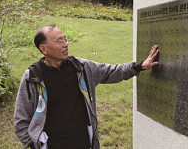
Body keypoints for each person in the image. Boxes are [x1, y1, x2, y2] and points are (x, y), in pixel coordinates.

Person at [14, 24, 159, 149]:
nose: (65, 44)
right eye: (59, 41)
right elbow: (21, 119)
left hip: (83, 143)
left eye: (65, 39)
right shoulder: (33, 77)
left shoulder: (81, 68)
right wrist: (35, 144)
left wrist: (139, 66)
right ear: (43, 49)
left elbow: (112, 71)